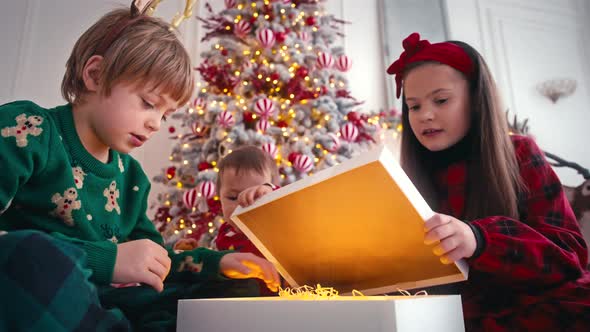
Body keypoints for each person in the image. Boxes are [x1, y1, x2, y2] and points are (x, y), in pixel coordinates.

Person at [0, 2, 279, 331]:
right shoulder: (27, 130)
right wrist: (108, 260)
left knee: (231, 290)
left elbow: (157, 263)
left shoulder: (131, 177)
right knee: (30, 255)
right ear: (95, 75)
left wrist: (218, 263)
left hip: (109, 303)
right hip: (47, 292)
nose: (156, 124)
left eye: (165, 114)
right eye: (148, 103)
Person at [387, 32, 590, 331]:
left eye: (441, 100)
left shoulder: (519, 153)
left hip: (526, 300)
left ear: (477, 101)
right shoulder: (406, 179)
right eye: (414, 106)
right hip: (449, 310)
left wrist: (480, 240)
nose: (424, 115)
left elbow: (569, 256)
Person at [214, 145, 281, 295]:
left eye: (256, 195)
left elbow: (289, 204)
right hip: (240, 303)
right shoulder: (225, 231)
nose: (243, 204)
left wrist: (270, 190)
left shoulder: (276, 224)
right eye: (232, 197)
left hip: (280, 300)